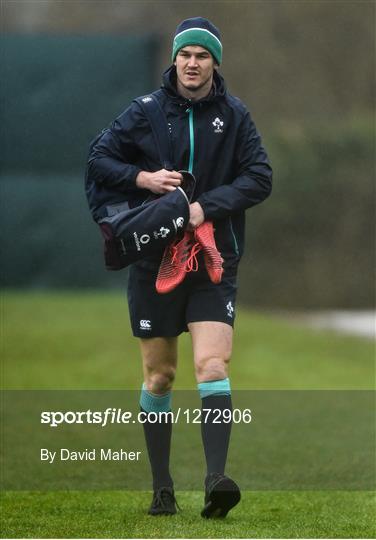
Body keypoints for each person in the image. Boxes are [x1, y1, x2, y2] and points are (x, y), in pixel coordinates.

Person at [87, 17, 272, 518]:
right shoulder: (144, 112)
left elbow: (260, 178)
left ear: (215, 63)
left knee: (213, 364)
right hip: (154, 261)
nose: (192, 64)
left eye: (203, 56)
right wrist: (143, 178)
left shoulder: (234, 116)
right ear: (175, 60)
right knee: (160, 377)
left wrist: (203, 208)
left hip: (213, 259)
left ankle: (216, 481)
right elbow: (99, 159)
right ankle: (162, 486)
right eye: (185, 55)